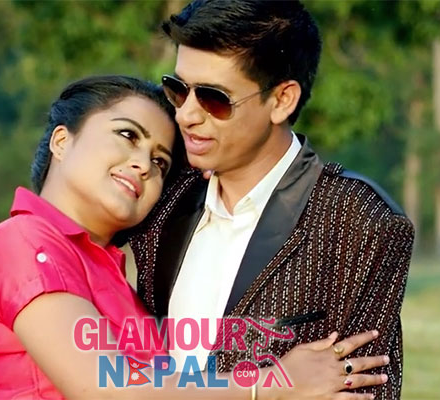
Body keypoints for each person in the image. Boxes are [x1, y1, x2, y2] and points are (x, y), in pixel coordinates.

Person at [0, 75, 390, 400]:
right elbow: (103, 387)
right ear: (61, 140)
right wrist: (272, 384)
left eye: (160, 162)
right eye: (127, 135)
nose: (143, 165)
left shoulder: (114, 276)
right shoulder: (23, 242)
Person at [127, 1, 415, 398]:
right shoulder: (163, 196)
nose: (186, 115)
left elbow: (365, 391)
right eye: (178, 90)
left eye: (213, 98)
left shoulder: (358, 221)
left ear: (282, 100)